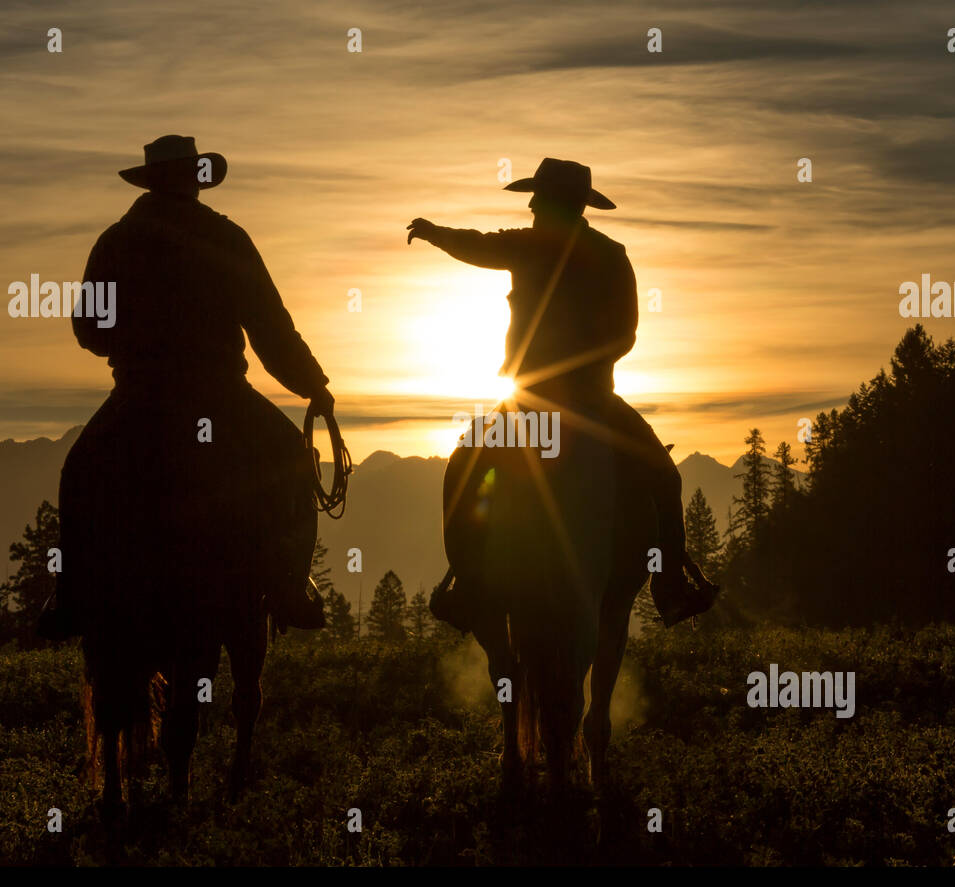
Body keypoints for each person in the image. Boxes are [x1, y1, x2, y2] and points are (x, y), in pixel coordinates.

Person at [38, 135, 332, 638]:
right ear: (194, 179)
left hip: (139, 394)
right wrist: (313, 386)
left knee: (80, 471)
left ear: (152, 180)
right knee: (291, 456)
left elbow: (88, 329)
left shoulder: (116, 240)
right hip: (221, 394)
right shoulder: (227, 238)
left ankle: (71, 595)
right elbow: (270, 328)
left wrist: (135, 343)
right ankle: (289, 587)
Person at [407, 157, 719, 629]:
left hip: (527, 403)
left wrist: (434, 233)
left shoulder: (528, 246)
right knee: (662, 477)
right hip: (595, 402)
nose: (529, 204)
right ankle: (670, 587)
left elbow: (477, 246)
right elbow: (627, 333)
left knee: (465, 468)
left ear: (554, 203)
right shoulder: (612, 255)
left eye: (537, 197)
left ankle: (470, 586)